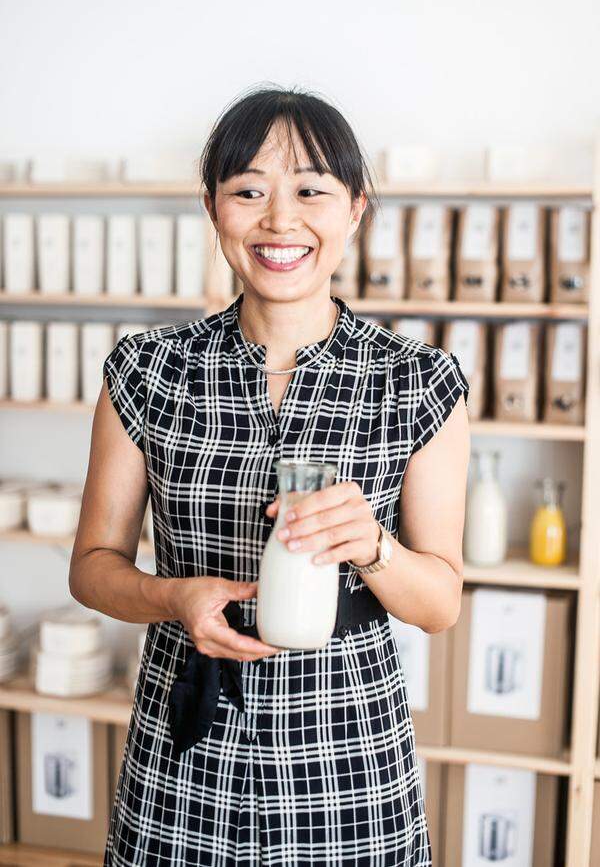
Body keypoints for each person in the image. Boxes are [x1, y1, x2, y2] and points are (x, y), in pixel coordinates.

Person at [70, 84, 470, 867]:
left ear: (355, 208)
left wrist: (375, 547)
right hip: (185, 748)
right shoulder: (149, 371)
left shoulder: (417, 381)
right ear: (215, 209)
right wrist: (170, 596)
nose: (280, 220)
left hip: (347, 758)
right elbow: (92, 568)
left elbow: (440, 604)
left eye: (311, 191)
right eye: (248, 191)